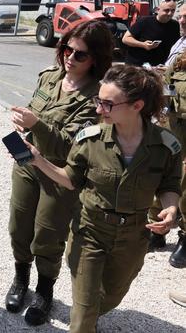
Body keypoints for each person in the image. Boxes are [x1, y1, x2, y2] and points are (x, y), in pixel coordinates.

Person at [25, 64, 181, 333]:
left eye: (107, 104)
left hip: (133, 238)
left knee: (111, 297)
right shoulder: (90, 139)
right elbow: (70, 178)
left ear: (136, 106)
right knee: (84, 313)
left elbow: (169, 185)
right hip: (90, 232)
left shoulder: (166, 146)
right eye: (99, 100)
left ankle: (90, 315)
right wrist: (38, 161)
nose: (98, 110)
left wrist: (170, 208)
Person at [5, 20, 113, 325]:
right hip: (27, 164)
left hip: (58, 173)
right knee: (18, 227)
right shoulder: (50, 78)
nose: (70, 57)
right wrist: (22, 130)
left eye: (80, 54)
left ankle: (44, 289)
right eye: (67, 48)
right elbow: (33, 111)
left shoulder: (97, 98)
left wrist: (36, 124)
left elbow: (72, 147)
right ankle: (21, 278)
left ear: (96, 59)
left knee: (48, 235)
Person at [146, 52, 186, 267]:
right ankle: (157, 228)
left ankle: (185, 236)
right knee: (161, 175)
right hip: (173, 127)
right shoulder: (180, 61)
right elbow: (166, 90)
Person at [123, 0, 179, 66]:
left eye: (173, 10)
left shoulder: (175, 25)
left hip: (159, 68)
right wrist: (143, 45)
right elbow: (125, 39)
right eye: (166, 10)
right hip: (137, 66)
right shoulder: (145, 21)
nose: (170, 13)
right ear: (158, 10)